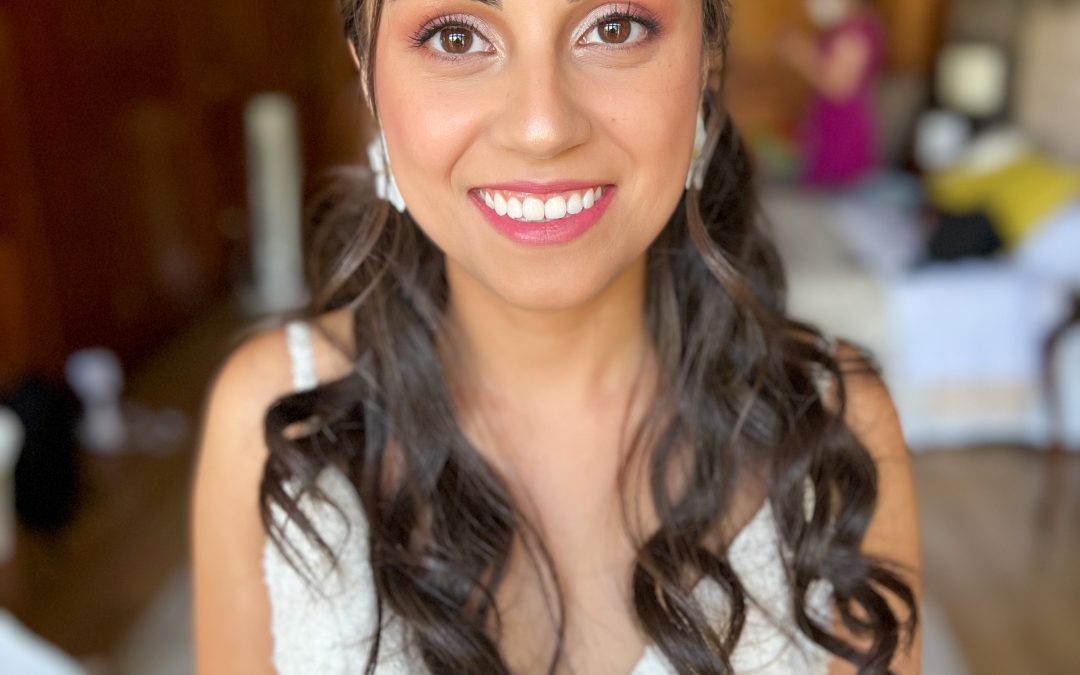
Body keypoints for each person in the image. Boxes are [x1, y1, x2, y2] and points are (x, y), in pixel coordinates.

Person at [193, 1, 921, 673]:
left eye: (613, 27)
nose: (541, 127)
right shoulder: (276, 418)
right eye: (457, 37)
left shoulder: (835, 427)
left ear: (707, 56)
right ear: (368, 76)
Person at [780, 0, 887, 187]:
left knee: (836, 190)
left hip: (843, 128)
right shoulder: (846, 28)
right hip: (829, 124)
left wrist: (801, 54)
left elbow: (840, 85)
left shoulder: (855, 33)